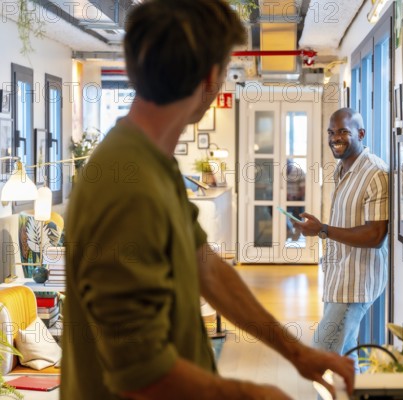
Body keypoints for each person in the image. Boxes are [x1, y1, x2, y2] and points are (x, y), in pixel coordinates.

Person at [61, 1, 354, 399]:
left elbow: (207, 268)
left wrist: (296, 352)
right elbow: (141, 376)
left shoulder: (151, 163)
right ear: (211, 77)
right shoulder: (124, 184)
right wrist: (257, 395)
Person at [292, 108, 389, 369]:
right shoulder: (341, 169)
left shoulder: (375, 174)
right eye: (331, 132)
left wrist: (322, 229)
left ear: (361, 133)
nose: (336, 138)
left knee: (322, 354)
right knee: (345, 356)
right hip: (338, 278)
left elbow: (375, 235)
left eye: (344, 131)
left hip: (355, 283)